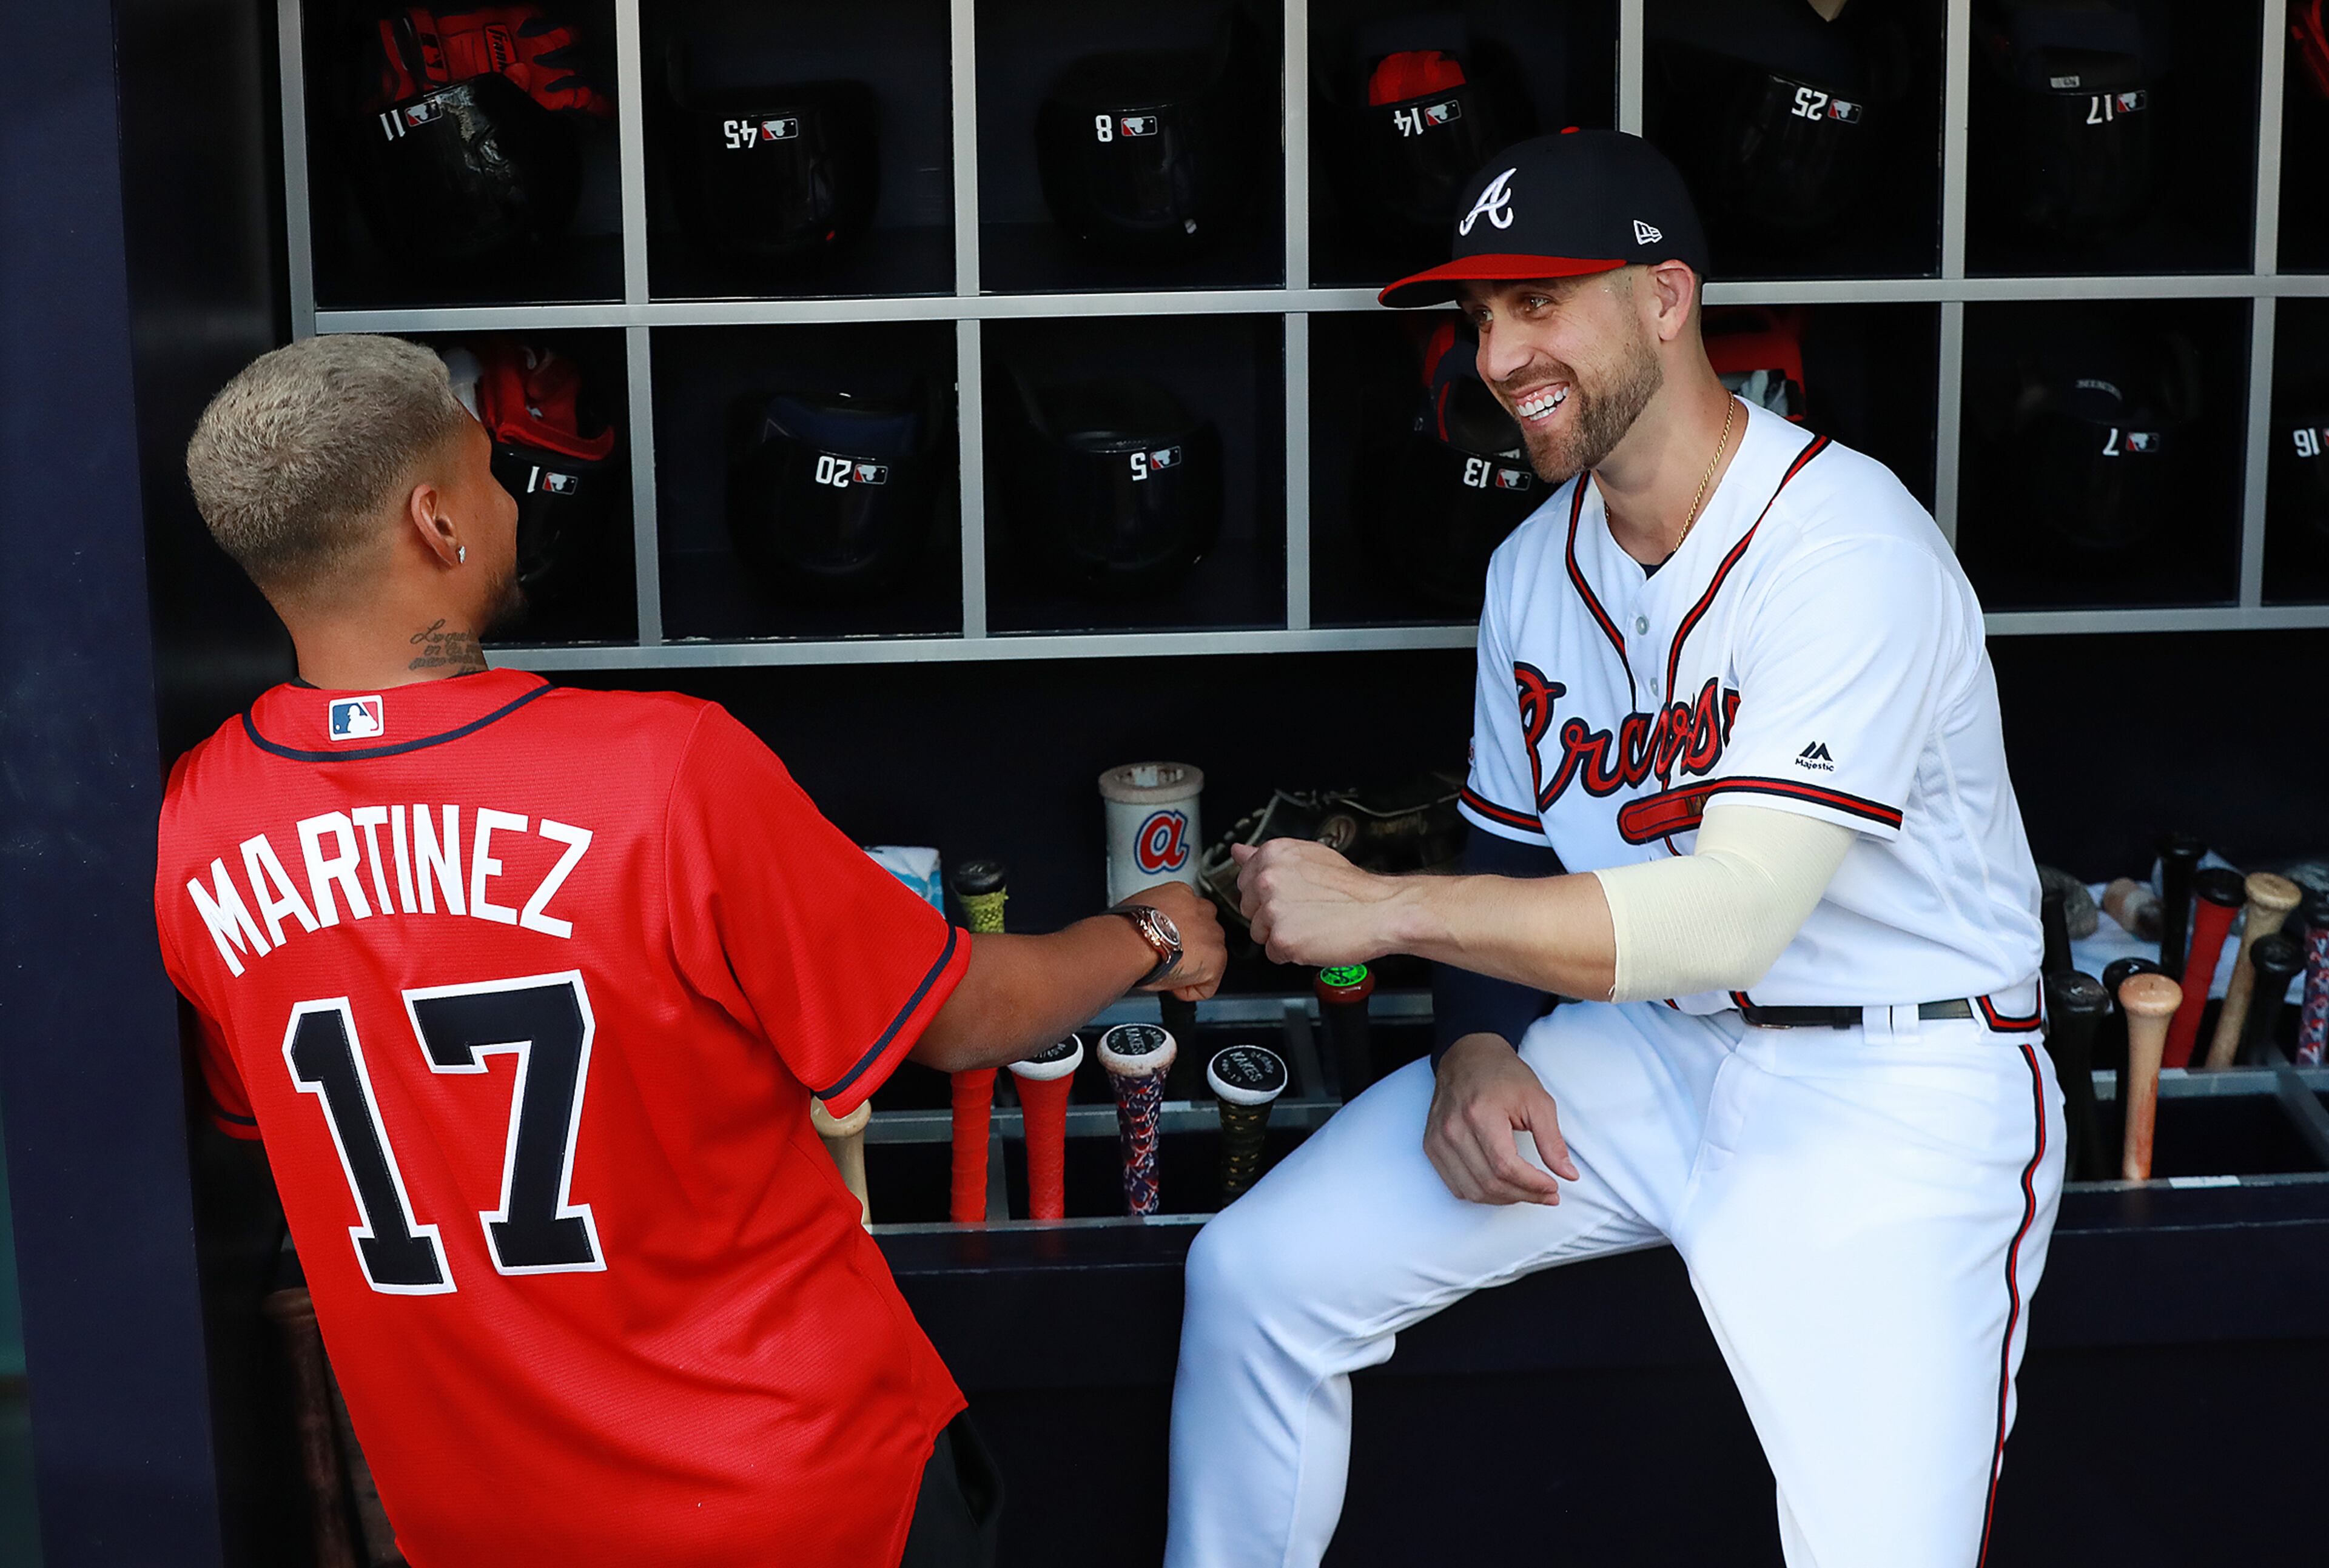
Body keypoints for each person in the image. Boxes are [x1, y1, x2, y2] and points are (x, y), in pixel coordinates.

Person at [156, 333, 1226, 1568]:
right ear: (437, 524)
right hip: (795, 1496)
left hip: (486, 1527)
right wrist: (1146, 932)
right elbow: (960, 1016)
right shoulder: (661, 773)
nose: (512, 500)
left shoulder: (198, 825)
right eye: (492, 473)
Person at [1165, 130, 2058, 1568]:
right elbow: (1513, 848)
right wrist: (1473, 1049)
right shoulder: (1533, 568)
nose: (1498, 353)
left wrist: (1384, 910)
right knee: (1254, 1277)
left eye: (1539, 301)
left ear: (1665, 298)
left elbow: (1734, 916)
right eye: (1479, 316)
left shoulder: (1850, 548)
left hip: (1901, 1082)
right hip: (1648, 1053)